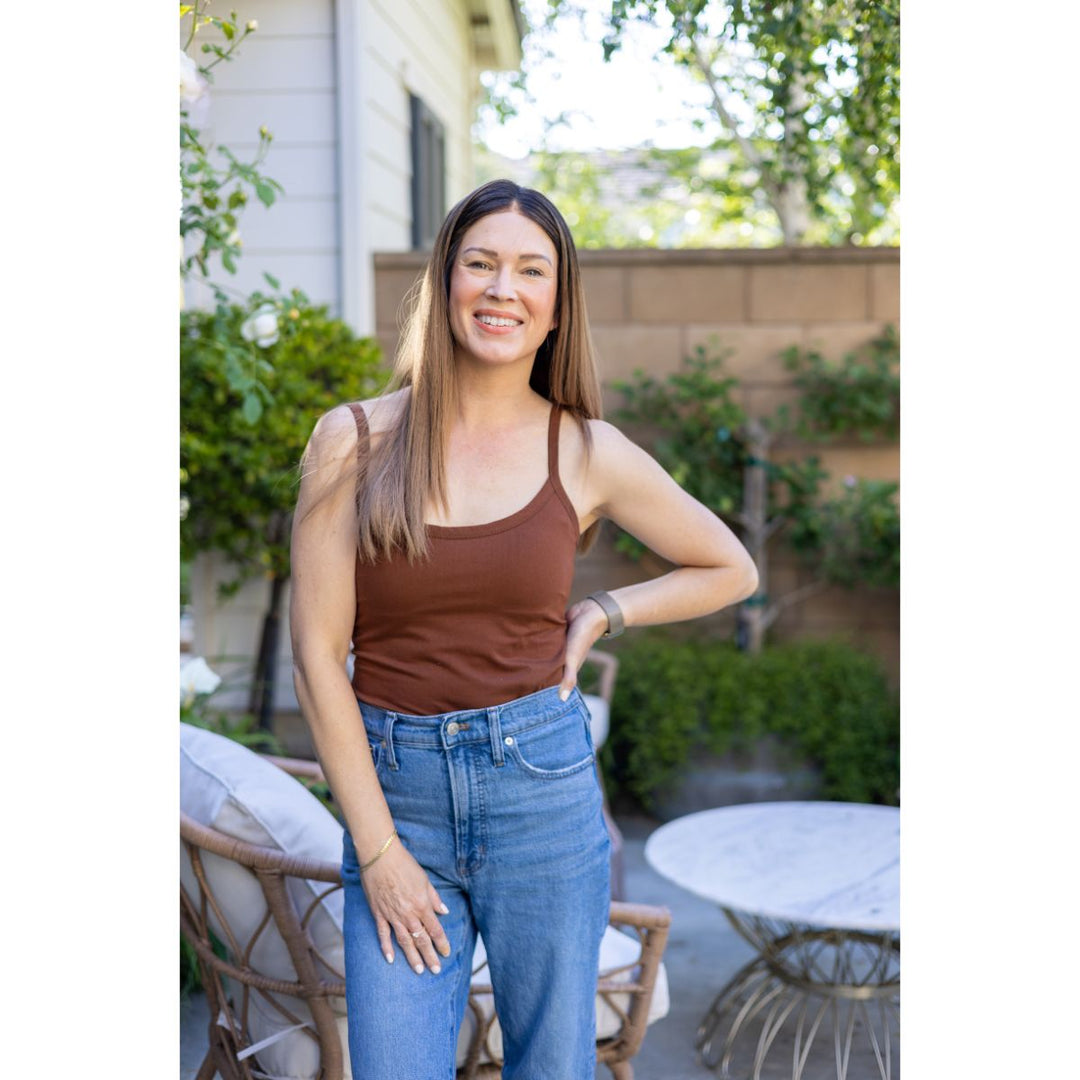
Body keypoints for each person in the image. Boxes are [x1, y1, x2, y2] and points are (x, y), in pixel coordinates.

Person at [289, 178, 758, 1079]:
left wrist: (603, 612)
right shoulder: (351, 441)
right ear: (446, 282)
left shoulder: (585, 450)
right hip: (399, 797)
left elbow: (729, 567)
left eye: (530, 271)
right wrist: (379, 853)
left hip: (542, 790)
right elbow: (317, 659)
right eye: (482, 263)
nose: (503, 288)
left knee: (551, 1066)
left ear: (554, 307)